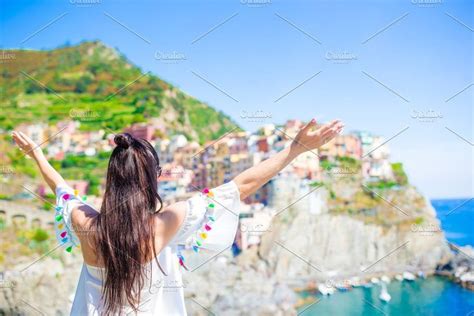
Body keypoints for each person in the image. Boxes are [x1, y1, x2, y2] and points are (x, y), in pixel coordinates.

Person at [12, 118, 343, 315]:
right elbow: (241, 186)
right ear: (152, 179)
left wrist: (38, 155)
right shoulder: (164, 225)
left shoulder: (86, 224)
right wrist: (295, 149)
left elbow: (61, 189)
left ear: (111, 179)